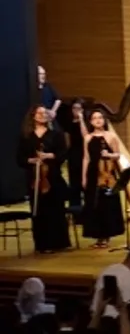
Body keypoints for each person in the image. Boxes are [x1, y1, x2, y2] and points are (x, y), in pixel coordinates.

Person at [17, 105, 71, 253]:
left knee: (56, 210)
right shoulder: (26, 136)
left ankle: (59, 243)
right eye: (39, 113)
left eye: (45, 113)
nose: (42, 115)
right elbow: (20, 158)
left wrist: (49, 155)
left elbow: (63, 154)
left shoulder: (56, 135)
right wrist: (32, 160)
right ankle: (43, 244)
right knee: (39, 211)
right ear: (33, 116)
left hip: (53, 177)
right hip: (35, 179)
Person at [80, 108, 125, 248]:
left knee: (107, 205)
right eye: (94, 118)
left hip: (107, 174)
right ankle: (98, 236)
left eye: (100, 117)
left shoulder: (111, 136)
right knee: (94, 205)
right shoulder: (87, 138)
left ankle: (106, 235)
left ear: (104, 120)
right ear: (91, 122)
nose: (98, 120)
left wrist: (108, 155)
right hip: (93, 174)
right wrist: (84, 177)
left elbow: (117, 155)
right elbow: (86, 158)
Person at [92, 249, 130, 316]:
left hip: (95, 316)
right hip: (113, 319)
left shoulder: (108, 269)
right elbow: (127, 308)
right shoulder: (129, 277)